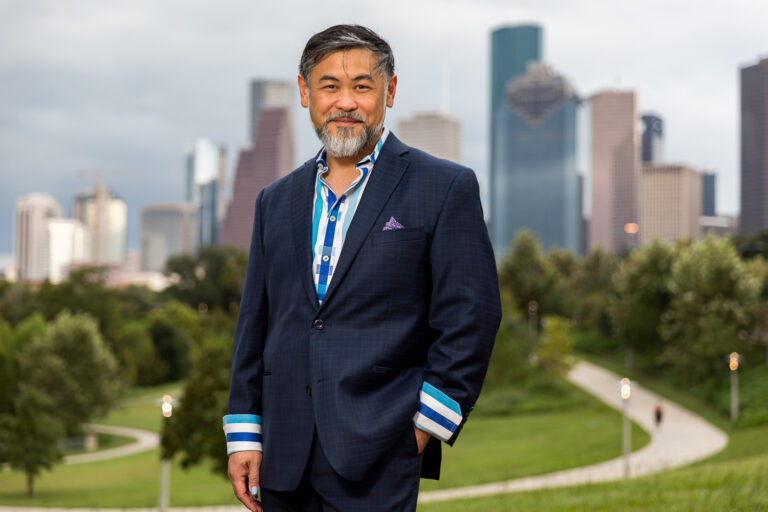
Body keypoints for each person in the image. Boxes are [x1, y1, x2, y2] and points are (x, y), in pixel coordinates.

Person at [224, 24, 501, 511]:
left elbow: (471, 319)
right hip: (284, 458)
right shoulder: (275, 201)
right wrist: (245, 433)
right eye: (330, 86)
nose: (345, 102)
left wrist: (421, 431)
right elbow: (256, 324)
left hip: (381, 451)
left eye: (362, 86)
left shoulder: (444, 187)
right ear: (306, 92)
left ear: (389, 92)